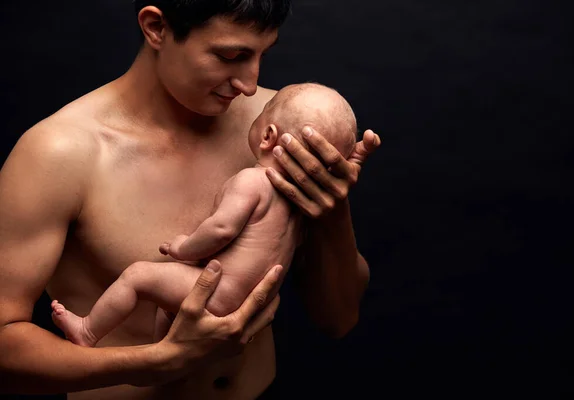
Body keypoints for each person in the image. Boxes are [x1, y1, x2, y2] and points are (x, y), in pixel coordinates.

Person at [0, 1, 381, 399]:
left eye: (263, 55)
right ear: (156, 28)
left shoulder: (280, 128)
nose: (250, 84)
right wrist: (159, 362)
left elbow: (338, 320)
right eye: (230, 56)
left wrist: (333, 212)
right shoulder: (60, 153)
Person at [50, 82, 359, 348]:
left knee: (138, 277)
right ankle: (168, 355)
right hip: (249, 301)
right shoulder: (299, 207)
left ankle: (88, 331)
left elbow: (222, 229)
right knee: (168, 308)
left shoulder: (252, 180)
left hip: (217, 292)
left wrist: (183, 248)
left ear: (267, 135)